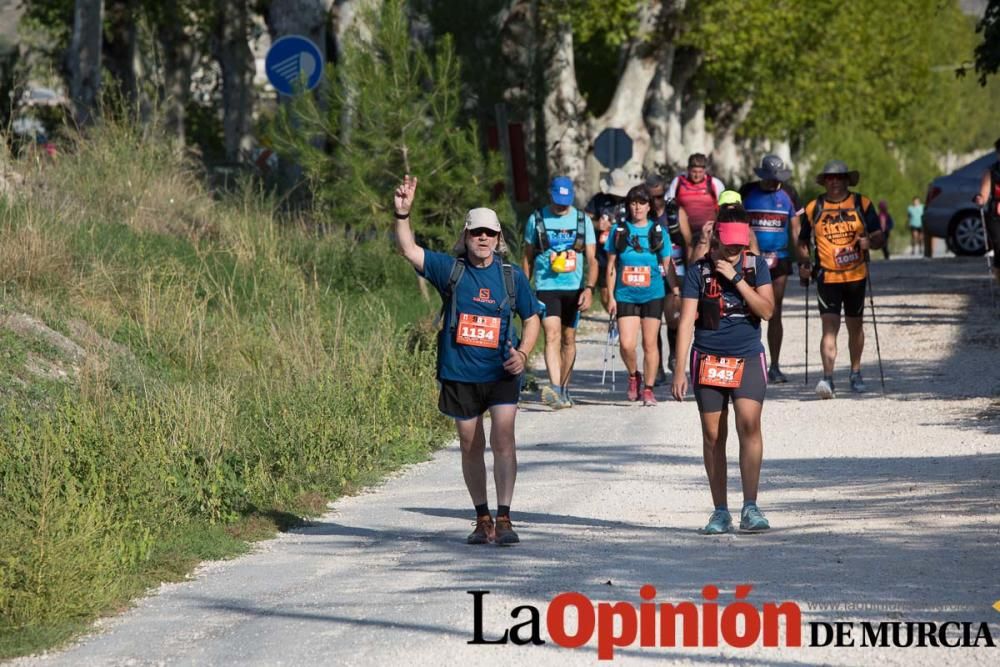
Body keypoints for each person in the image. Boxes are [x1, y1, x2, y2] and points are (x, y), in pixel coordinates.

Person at [393, 175, 540, 545]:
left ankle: (505, 518)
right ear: (467, 235)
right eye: (477, 233)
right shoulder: (450, 270)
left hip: (502, 371)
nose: (484, 239)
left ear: (498, 238)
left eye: (490, 233)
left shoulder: (510, 276)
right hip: (460, 373)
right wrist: (403, 214)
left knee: (503, 438)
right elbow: (410, 249)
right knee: (469, 442)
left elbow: (533, 317)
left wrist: (523, 354)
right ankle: (482, 517)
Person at [671, 192, 775, 534]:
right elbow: (686, 321)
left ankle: (751, 507)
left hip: (746, 355)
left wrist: (736, 277)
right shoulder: (697, 272)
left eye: (738, 246)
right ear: (715, 239)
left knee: (749, 426)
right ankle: (720, 510)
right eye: (728, 246)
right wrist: (679, 369)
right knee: (714, 436)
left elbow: (767, 311)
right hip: (708, 357)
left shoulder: (755, 266)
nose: (734, 251)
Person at [797, 161, 884, 399]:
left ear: (847, 180)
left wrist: (871, 243)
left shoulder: (861, 203)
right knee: (829, 328)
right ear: (824, 181)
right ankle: (828, 378)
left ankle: (855, 372)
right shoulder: (814, 207)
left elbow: (879, 236)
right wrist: (804, 265)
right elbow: (803, 241)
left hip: (856, 276)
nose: (834, 181)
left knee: (855, 327)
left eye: (839, 177)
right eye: (830, 178)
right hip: (826, 276)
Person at [523, 176, 598, 409]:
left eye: (565, 201)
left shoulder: (582, 220)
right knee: (552, 335)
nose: (561, 206)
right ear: (550, 195)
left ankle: (565, 389)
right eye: (557, 201)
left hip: (574, 288)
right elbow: (527, 258)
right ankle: (554, 389)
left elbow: (593, 260)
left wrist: (589, 289)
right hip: (546, 287)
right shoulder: (536, 219)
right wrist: (523, 289)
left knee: (568, 339)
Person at [606, 184, 679, 406]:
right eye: (633, 203)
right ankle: (632, 375)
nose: (637, 207)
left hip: (653, 294)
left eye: (642, 203)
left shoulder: (659, 233)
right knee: (627, 344)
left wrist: (675, 291)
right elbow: (611, 266)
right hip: (626, 294)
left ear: (649, 206)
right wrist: (610, 296)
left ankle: (648, 389)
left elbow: (667, 266)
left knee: (650, 344)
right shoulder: (619, 231)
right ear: (629, 206)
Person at [740, 155, 799, 384]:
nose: (776, 184)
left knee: (774, 311)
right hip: (750, 259)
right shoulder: (747, 191)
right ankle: (746, 362)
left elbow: (795, 230)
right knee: (746, 310)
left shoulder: (789, 193)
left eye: (778, 179)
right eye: (771, 179)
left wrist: (804, 258)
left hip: (780, 259)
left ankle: (774, 365)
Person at [646, 174, 692, 385]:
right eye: (651, 197)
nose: (655, 201)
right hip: (652, 272)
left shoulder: (675, 213)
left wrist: (692, 271)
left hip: (677, 269)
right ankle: (655, 368)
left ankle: (674, 355)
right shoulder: (641, 215)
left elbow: (688, 242)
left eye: (659, 196)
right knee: (652, 320)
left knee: (673, 317)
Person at [585, 169, 635, 311]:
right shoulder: (599, 199)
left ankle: (625, 320)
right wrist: (597, 224)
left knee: (627, 290)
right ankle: (614, 317)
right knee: (606, 293)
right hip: (603, 253)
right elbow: (584, 219)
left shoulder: (632, 200)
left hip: (627, 252)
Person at [666, 153, 725, 263]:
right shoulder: (678, 182)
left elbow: (723, 208)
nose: (697, 175)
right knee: (689, 248)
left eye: (700, 172)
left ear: (705, 171)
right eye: (694, 172)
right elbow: (668, 204)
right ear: (688, 169)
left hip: (708, 230)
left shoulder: (714, 183)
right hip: (684, 232)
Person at [973, 137, 1000, 284]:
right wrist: (980, 199)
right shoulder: (991, 171)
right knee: (999, 248)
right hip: (996, 215)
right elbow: (984, 193)